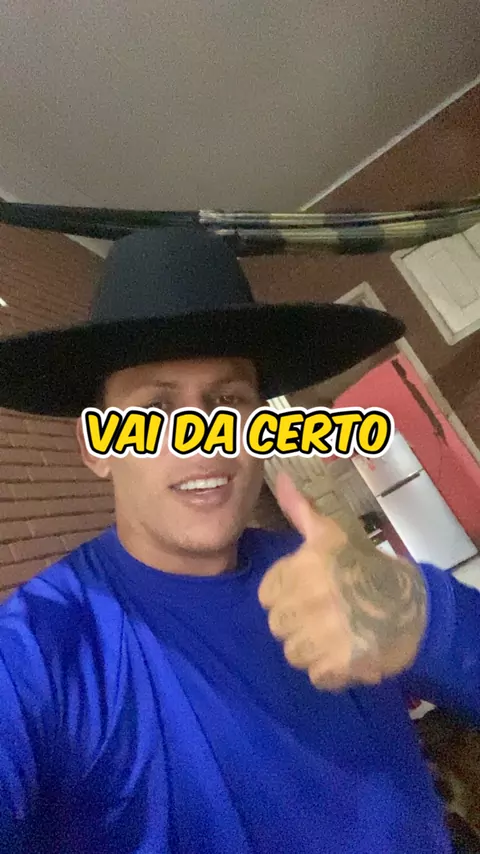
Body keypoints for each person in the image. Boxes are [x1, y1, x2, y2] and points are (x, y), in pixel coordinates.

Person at [0, 226, 478, 854]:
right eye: (155, 411)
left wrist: (425, 617)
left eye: (228, 400)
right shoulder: (45, 649)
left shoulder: (336, 576)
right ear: (97, 447)